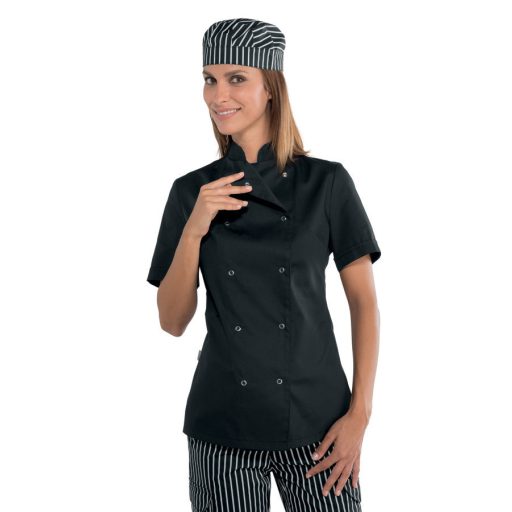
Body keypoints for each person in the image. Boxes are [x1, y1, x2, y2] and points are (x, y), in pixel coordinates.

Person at [147, 17, 381, 512]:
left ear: (271, 87)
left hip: (320, 423)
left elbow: (363, 303)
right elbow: (172, 321)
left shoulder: (327, 183)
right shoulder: (191, 192)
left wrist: (359, 415)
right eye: (209, 79)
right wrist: (194, 228)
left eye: (236, 78)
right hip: (223, 425)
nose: (218, 95)